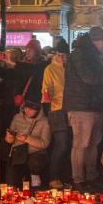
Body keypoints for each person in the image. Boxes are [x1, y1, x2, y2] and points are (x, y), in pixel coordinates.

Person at [63, 26, 103, 192]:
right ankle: (78, 178)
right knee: (81, 144)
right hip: (81, 106)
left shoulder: (92, 55)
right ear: (95, 41)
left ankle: (91, 176)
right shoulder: (80, 54)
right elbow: (89, 78)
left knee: (92, 144)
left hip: (92, 105)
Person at [42, 39, 71, 189]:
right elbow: (47, 89)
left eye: (64, 55)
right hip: (57, 109)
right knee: (61, 144)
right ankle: (53, 177)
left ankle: (65, 176)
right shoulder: (50, 69)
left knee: (68, 145)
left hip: (71, 109)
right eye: (60, 55)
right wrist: (48, 97)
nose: (62, 58)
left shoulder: (71, 68)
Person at [4, 99, 51, 188]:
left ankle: (35, 186)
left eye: (31, 109)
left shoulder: (44, 122)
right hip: (19, 152)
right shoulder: (17, 117)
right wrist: (9, 137)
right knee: (13, 182)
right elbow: (10, 140)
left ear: (38, 110)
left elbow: (45, 143)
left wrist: (27, 139)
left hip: (36, 154)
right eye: (26, 108)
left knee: (34, 165)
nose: (27, 111)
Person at [0, 39, 49, 108]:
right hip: (22, 100)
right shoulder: (24, 63)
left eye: (30, 50)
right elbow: (9, 75)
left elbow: (32, 69)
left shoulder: (43, 65)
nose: (27, 52)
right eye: (27, 49)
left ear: (37, 51)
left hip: (35, 102)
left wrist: (13, 63)